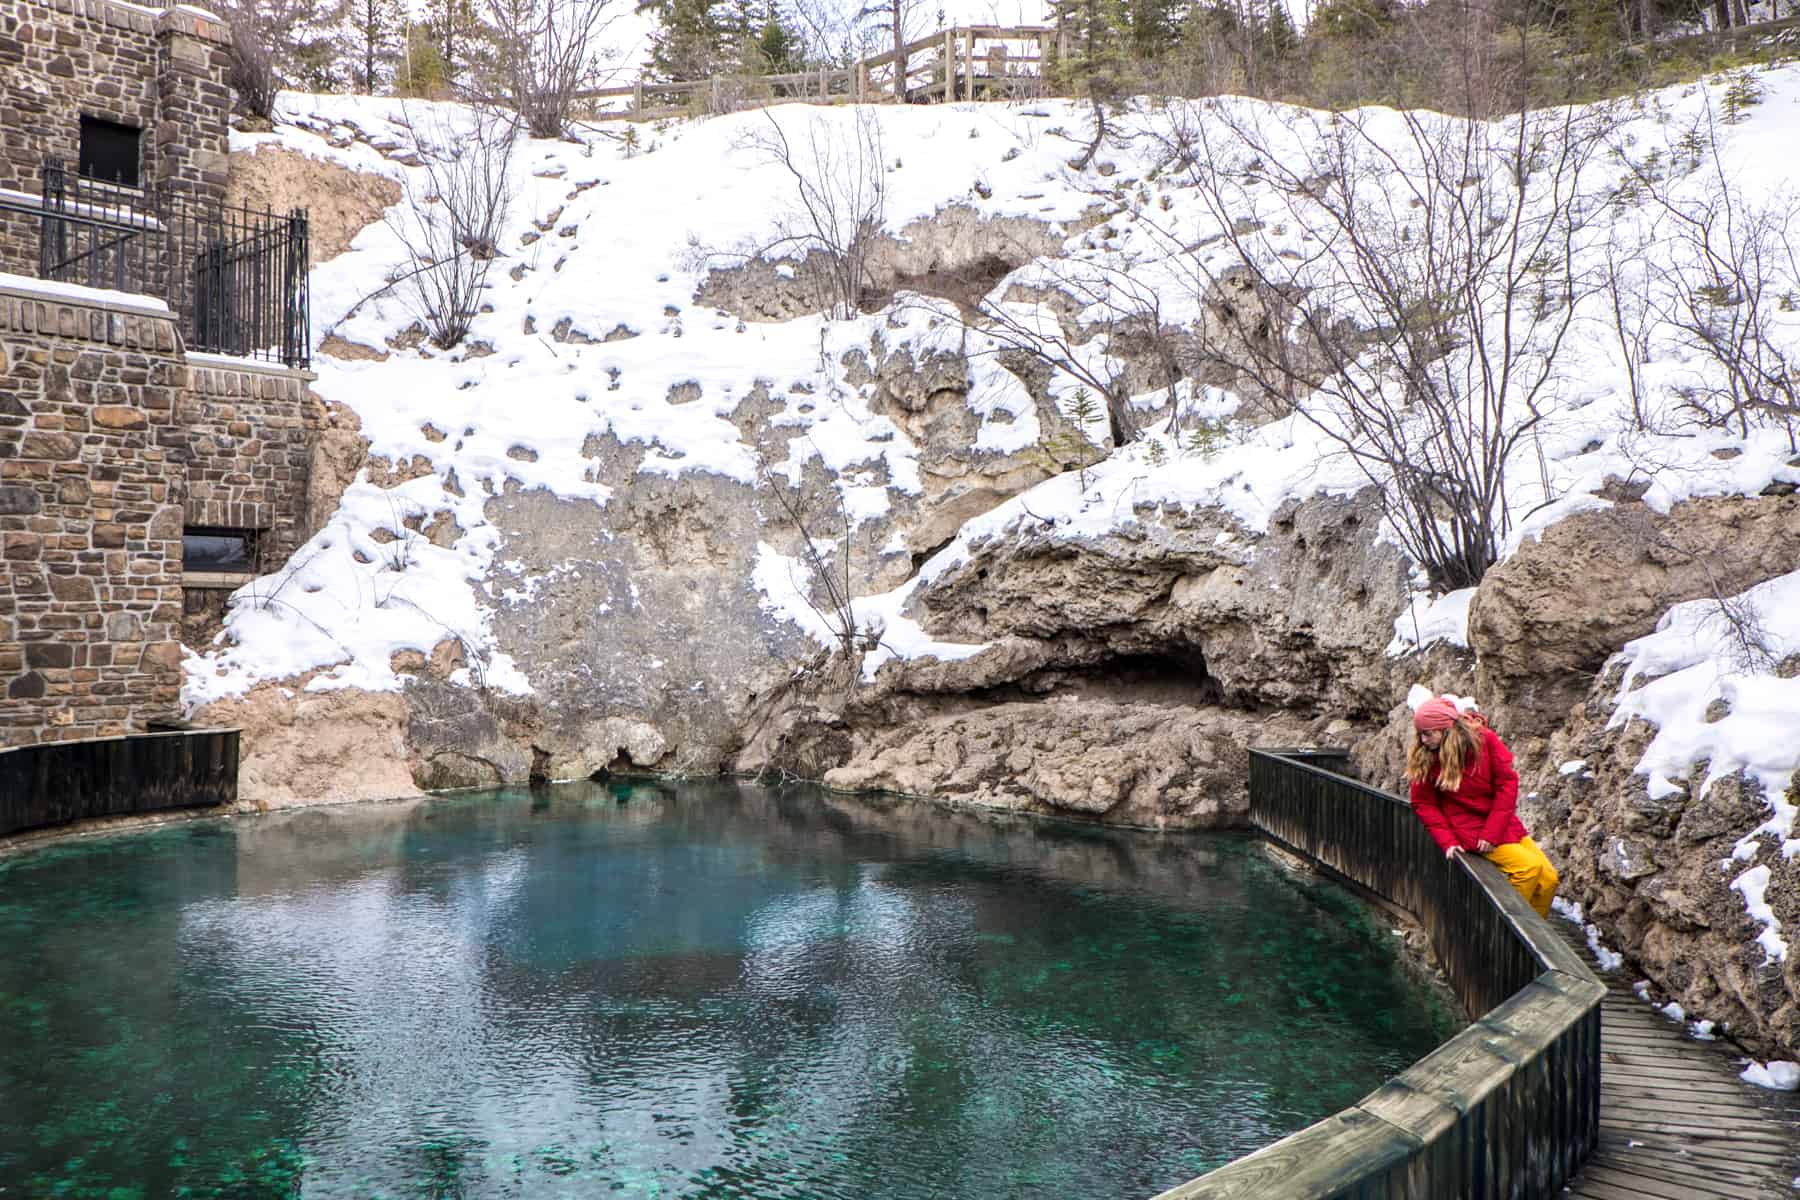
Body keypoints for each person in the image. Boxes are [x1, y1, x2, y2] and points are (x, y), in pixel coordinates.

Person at [1405, 695, 1559, 918]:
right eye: (1420, 734)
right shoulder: (1427, 757)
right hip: (1469, 828)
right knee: (1527, 869)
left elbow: (1507, 782)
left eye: (1428, 733)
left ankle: (1537, 934)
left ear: (1446, 729)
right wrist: (1448, 841)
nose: (1423, 740)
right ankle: (1509, 929)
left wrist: (1493, 831)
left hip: (1498, 822)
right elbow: (1423, 803)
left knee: (1549, 879)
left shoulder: (1484, 740)